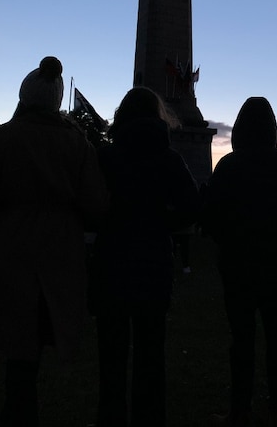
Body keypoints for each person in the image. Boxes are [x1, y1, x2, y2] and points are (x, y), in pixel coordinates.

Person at [0, 57, 108, 427]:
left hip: (11, 242)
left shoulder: (2, 137)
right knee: (47, 320)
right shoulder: (78, 143)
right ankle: (22, 403)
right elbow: (95, 203)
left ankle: (18, 404)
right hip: (61, 246)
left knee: (17, 329)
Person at [90, 86, 200, 427]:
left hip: (111, 262)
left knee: (111, 354)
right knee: (151, 352)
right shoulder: (168, 159)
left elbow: (90, 206)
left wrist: (112, 221)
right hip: (153, 263)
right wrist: (160, 224)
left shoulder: (105, 156)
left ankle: (111, 418)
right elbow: (191, 207)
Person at [202, 97, 277, 427]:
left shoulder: (229, 166)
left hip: (239, 267)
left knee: (242, 341)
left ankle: (240, 409)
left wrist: (227, 243)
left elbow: (213, 217)